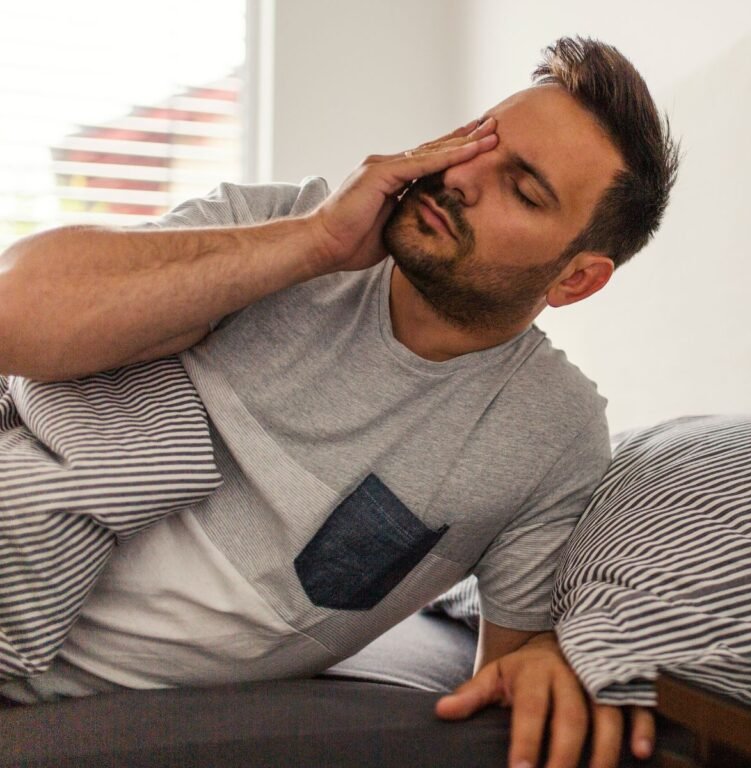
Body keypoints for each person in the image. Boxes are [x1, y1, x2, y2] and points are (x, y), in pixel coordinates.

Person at [0, 36, 677, 767]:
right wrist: (314, 242)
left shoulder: (550, 432)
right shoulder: (278, 225)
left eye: (524, 189)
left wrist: (547, 651)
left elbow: (504, 676)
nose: (463, 176)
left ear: (576, 279)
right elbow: (13, 316)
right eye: (478, 139)